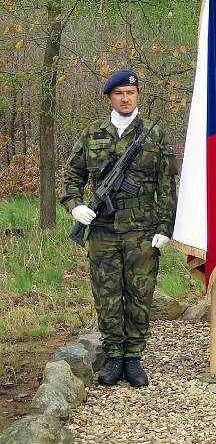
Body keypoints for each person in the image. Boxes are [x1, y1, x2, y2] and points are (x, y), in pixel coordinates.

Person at [61, 70, 177, 387]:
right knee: (107, 295)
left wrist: (166, 226)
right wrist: (76, 205)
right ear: (109, 97)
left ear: (138, 95)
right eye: (119, 93)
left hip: (142, 230)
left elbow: (167, 186)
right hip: (102, 230)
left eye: (131, 92)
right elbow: (72, 177)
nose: (125, 98)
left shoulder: (154, 134)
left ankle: (134, 357)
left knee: (140, 294)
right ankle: (114, 356)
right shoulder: (92, 133)